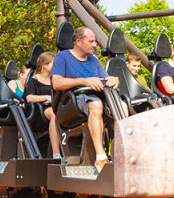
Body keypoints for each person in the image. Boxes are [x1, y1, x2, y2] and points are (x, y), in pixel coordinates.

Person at [51, 27, 118, 172]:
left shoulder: (93, 60)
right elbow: (56, 83)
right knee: (96, 104)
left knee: (122, 105)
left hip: (93, 97)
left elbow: (105, 79)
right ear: (78, 42)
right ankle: (101, 157)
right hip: (70, 102)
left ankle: (118, 154)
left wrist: (114, 79)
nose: (95, 45)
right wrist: (84, 81)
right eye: (91, 41)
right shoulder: (62, 57)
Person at [24, 52, 60, 158]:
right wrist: (46, 97)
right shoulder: (33, 80)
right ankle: (56, 153)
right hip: (39, 111)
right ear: (45, 65)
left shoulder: (55, 80)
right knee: (54, 114)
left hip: (55, 107)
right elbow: (29, 98)